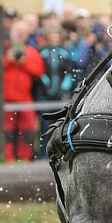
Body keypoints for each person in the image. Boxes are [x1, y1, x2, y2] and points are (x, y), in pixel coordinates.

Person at [3, 19, 45, 161]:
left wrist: (23, 62)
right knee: (6, 131)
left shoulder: (31, 52)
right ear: (11, 33)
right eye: (17, 31)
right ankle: (7, 158)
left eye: (23, 32)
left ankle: (25, 158)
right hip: (5, 99)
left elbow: (39, 71)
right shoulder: (2, 49)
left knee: (27, 130)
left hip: (25, 98)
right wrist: (8, 60)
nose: (20, 35)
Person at [36, 26, 75, 158]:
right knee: (46, 126)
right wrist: (48, 87)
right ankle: (43, 155)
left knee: (60, 124)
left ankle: (59, 153)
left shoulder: (64, 52)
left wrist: (63, 87)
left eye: (56, 35)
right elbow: (40, 72)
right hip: (45, 95)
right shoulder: (42, 52)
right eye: (52, 35)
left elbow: (69, 72)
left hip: (61, 95)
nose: (54, 38)